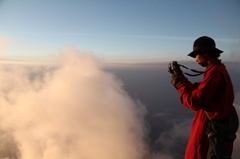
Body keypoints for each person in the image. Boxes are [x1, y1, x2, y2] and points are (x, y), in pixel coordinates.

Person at [168, 36, 235, 159]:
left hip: (207, 132)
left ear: (205, 53)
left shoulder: (214, 74)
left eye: (196, 55)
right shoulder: (217, 70)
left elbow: (195, 101)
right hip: (216, 130)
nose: (196, 60)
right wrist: (180, 77)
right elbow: (197, 90)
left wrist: (179, 83)